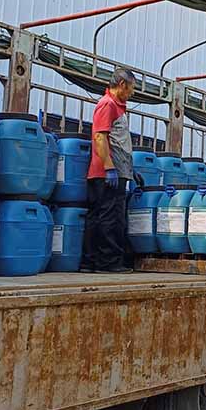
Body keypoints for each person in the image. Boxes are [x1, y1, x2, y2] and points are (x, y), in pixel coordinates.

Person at [80, 69, 137, 273]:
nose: (132, 93)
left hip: (112, 169)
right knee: (110, 217)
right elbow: (100, 137)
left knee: (98, 216)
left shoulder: (116, 106)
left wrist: (130, 169)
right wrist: (109, 167)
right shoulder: (108, 104)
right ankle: (108, 263)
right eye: (131, 88)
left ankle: (90, 262)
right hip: (108, 172)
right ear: (122, 84)